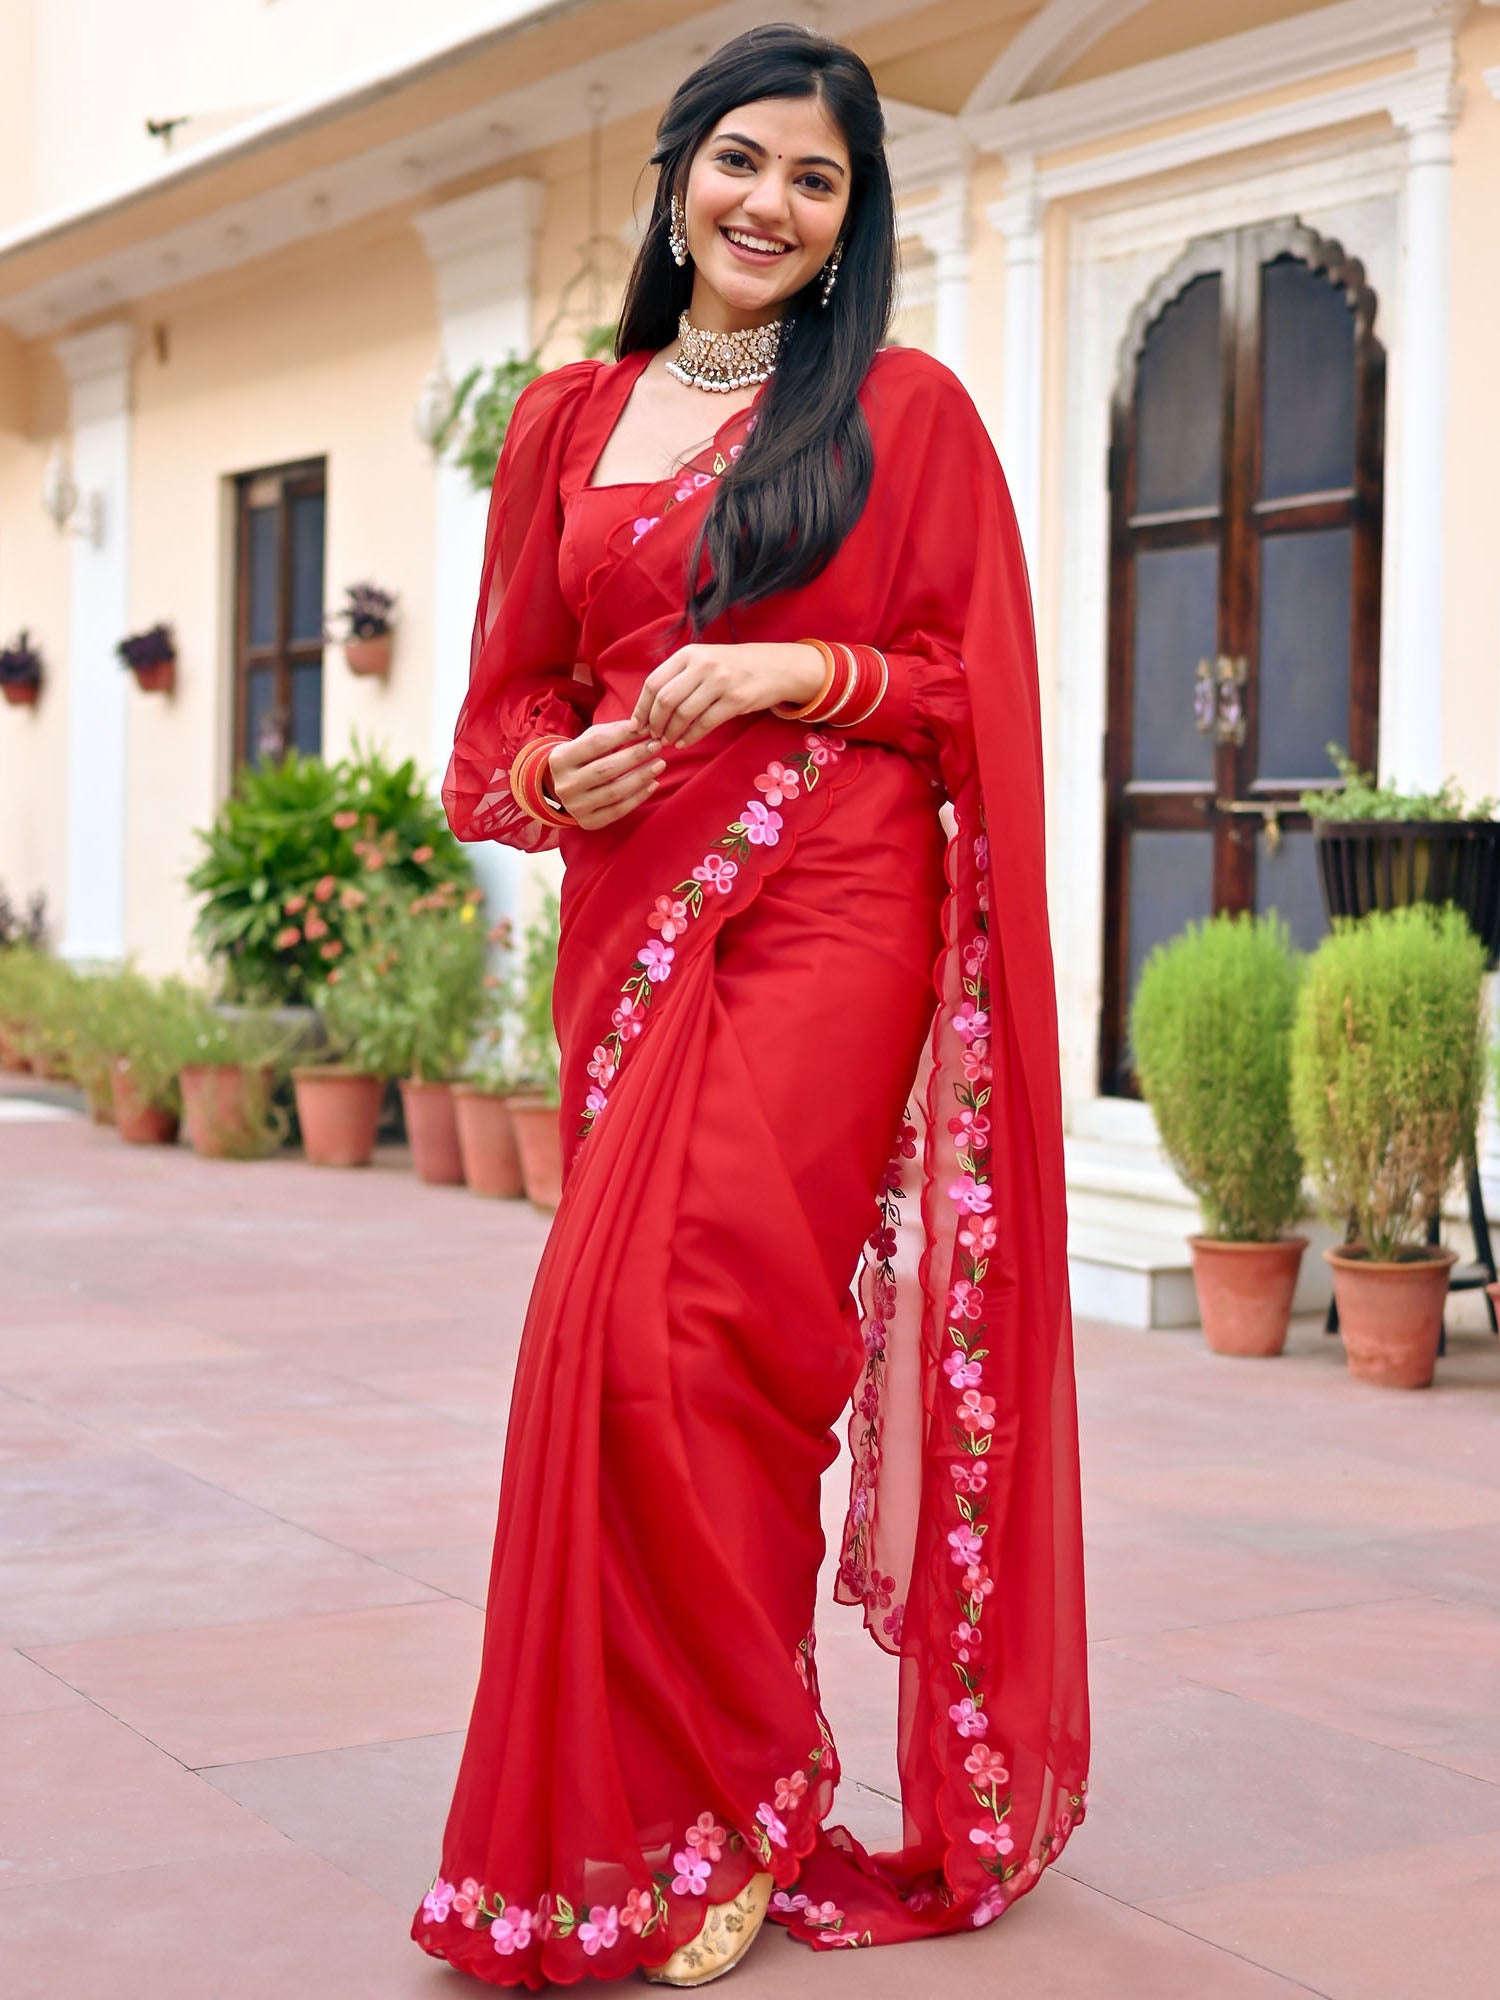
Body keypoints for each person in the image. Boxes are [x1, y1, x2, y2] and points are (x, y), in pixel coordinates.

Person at [411, 22, 1088, 1990]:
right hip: (639, 912)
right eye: (742, 160)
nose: (770, 203)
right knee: (606, 1352)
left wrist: (803, 671)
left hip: (833, 902)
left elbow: (973, 680)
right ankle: (649, 1804)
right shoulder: (566, 422)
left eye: (816, 178)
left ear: (852, 216)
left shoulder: (899, 411)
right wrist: (561, 779)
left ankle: (735, 1804)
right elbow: (496, 731)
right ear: (678, 172)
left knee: (706, 1332)